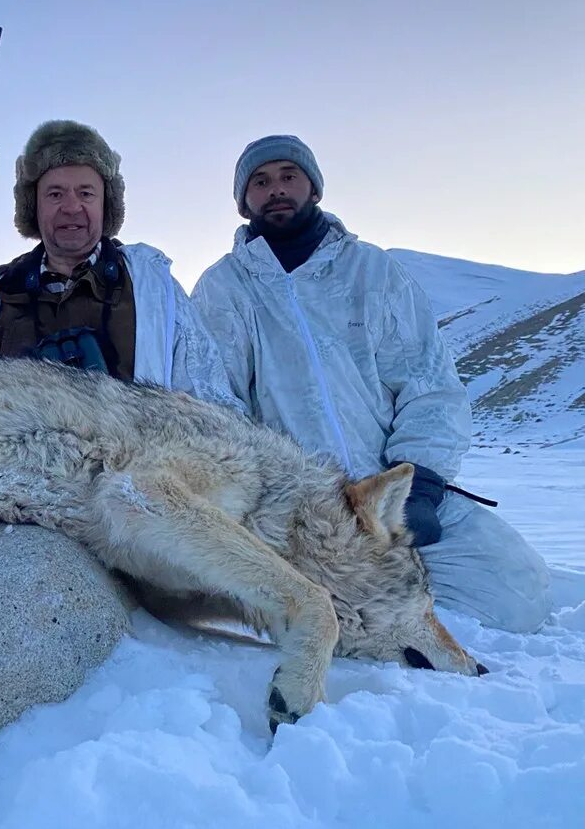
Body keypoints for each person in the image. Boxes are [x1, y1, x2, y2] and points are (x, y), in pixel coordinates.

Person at [192, 134, 551, 632]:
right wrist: (270, 501)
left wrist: (420, 483)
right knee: (307, 610)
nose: (276, 189)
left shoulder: (373, 272)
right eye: (260, 181)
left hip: (395, 487)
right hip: (300, 506)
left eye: (288, 176)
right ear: (243, 201)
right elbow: (214, 403)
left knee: (518, 594)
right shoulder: (224, 287)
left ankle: (409, 611)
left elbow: (429, 381)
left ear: (313, 188)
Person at [0, 120, 238, 405]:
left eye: (85, 193)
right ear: (33, 206)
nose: (71, 207)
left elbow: (211, 403)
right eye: (55, 194)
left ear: (105, 205)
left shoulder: (154, 288)